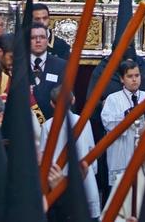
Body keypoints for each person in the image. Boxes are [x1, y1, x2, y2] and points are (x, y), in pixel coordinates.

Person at [39, 87, 100, 221]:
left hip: (57, 177)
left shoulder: (47, 126)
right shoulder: (83, 121)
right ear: (73, 100)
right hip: (82, 174)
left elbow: (44, 155)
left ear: (52, 104)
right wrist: (91, 171)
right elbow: (91, 149)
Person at [101, 59, 145, 187]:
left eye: (137, 76)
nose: (134, 79)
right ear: (122, 79)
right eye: (130, 76)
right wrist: (126, 115)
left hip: (143, 151)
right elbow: (107, 121)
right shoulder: (113, 98)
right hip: (121, 152)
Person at [29, 23, 67, 121]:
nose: (38, 41)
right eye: (33, 37)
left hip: (53, 125)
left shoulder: (61, 65)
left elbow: (66, 99)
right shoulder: (19, 65)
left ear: (47, 40)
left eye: (42, 37)